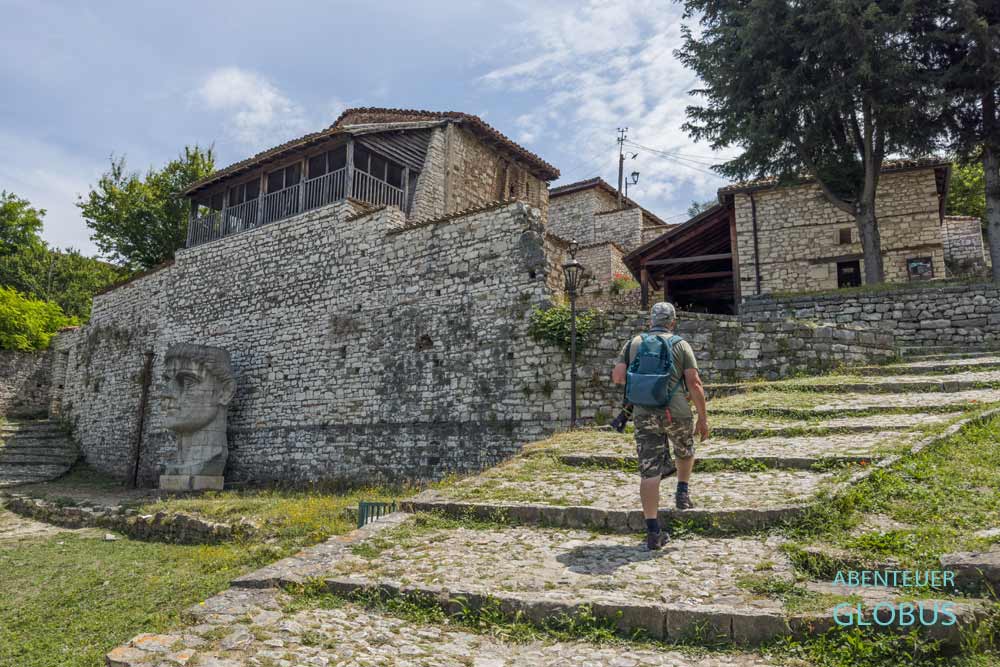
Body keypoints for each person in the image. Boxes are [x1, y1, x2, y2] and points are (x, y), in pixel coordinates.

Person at [611, 302, 709, 550]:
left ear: (650, 321)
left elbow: (618, 378)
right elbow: (694, 383)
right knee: (685, 450)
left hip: (643, 414)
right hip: (676, 411)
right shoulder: (680, 344)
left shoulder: (634, 343)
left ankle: (653, 531)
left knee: (649, 471)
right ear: (673, 322)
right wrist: (703, 417)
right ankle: (682, 493)